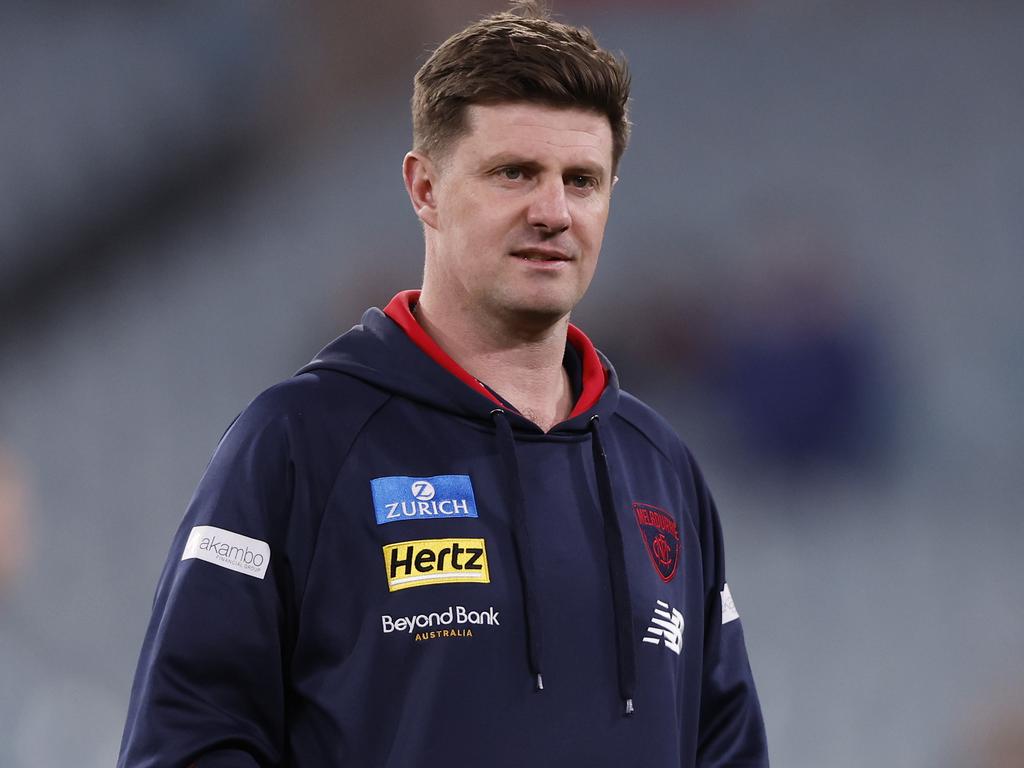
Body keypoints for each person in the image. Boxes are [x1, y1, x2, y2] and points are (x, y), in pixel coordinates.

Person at [118, 3, 769, 766]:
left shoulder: (662, 470)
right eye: (514, 173)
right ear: (425, 188)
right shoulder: (298, 443)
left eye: (582, 181)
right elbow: (187, 744)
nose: (554, 212)